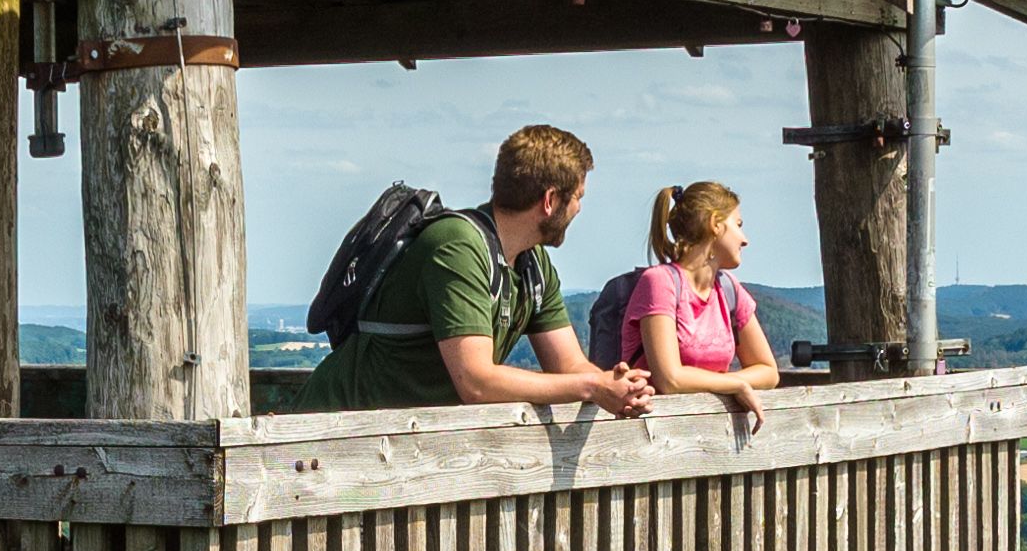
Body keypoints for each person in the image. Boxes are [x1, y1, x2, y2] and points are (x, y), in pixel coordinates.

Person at [322, 128, 649, 416]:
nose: (579, 208)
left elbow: (569, 366)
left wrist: (615, 385)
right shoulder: (457, 245)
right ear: (550, 200)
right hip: (332, 433)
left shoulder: (532, 264)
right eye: (577, 197)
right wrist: (593, 386)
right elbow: (476, 381)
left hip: (392, 439)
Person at [599, 182, 783, 428]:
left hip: (707, 436)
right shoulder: (660, 282)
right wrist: (735, 384)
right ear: (715, 225)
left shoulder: (729, 289)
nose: (745, 240)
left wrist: (732, 382)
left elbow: (769, 371)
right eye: (738, 225)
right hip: (652, 436)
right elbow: (669, 379)